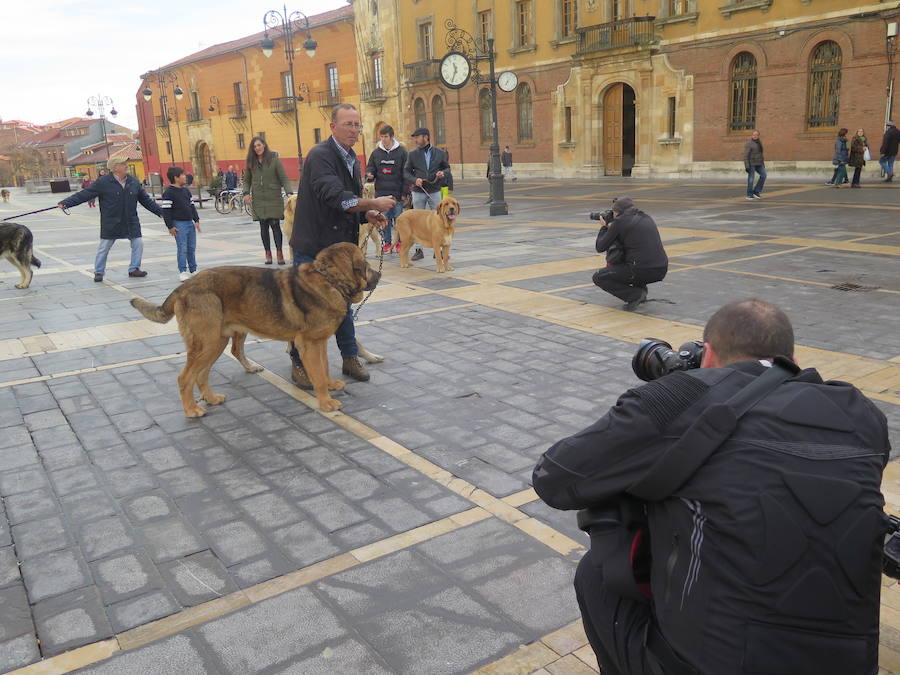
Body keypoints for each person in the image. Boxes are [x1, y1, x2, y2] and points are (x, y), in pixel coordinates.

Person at [532, 299, 890, 675]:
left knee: (596, 574)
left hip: (715, 664)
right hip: (851, 662)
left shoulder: (677, 397)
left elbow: (552, 479)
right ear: (793, 357)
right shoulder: (862, 414)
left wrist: (668, 393)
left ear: (709, 355)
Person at [287, 103, 394, 389]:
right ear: (333, 127)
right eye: (348, 124)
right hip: (313, 246)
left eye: (357, 125)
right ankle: (298, 363)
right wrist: (373, 202)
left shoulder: (352, 159)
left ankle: (349, 357)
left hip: (338, 250)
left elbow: (348, 202)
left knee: (343, 306)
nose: (354, 130)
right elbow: (335, 196)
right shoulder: (320, 155)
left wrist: (366, 213)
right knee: (305, 309)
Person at [58, 159, 162, 282]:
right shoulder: (103, 182)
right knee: (104, 247)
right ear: (115, 167)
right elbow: (85, 194)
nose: (126, 166)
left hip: (130, 220)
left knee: (138, 243)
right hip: (111, 222)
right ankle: (99, 272)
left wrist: (160, 212)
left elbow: (146, 200)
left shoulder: (133, 182)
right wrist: (66, 203)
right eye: (123, 164)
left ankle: (134, 269)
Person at [591, 196, 668, 311]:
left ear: (617, 212)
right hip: (661, 269)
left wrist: (604, 227)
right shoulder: (646, 217)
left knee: (599, 277)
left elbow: (600, 247)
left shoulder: (619, 222)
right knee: (634, 259)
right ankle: (640, 291)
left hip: (642, 270)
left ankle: (634, 295)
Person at [242, 136, 293, 265]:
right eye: (254, 146)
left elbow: (284, 178)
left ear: (264, 145)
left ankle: (280, 253)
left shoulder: (274, 160)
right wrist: (246, 193)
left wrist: (289, 193)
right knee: (263, 227)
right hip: (258, 199)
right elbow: (246, 180)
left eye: (259, 145)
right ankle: (268, 254)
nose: (257, 148)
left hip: (273, 197)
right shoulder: (250, 163)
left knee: (275, 226)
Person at [404, 127, 450, 261]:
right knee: (417, 221)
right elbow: (406, 172)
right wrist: (414, 180)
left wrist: (443, 173)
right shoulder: (412, 154)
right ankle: (419, 250)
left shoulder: (439, 152)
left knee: (440, 219)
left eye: (417, 137)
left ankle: (439, 249)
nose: (415, 140)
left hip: (435, 190)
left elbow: (447, 168)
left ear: (425, 137)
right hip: (419, 191)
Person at [366, 124, 407, 254]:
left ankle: (399, 243)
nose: (383, 139)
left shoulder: (401, 152)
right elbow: (370, 167)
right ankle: (387, 243)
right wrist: (370, 174)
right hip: (381, 194)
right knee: (384, 221)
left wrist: (405, 192)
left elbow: (406, 173)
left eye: (386, 137)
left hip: (397, 193)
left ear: (392, 137)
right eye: (381, 137)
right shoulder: (376, 153)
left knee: (399, 221)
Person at [161, 166, 201, 281]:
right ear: (176, 178)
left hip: (189, 223)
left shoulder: (186, 191)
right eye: (183, 175)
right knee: (182, 247)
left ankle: (193, 269)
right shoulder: (168, 192)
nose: (185, 177)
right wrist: (170, 226)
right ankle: (182, 271)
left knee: (191, 247)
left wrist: (196, 220)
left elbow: (192, 206)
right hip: (179, 224)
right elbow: (166, 211)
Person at [742, 129, 765, 200]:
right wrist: (747, 165)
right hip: (751, 163)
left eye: (757, 135)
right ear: (752, 135)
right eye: (754, 135)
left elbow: (760, 154)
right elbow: (745, 155)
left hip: (759, 163)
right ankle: (749, 194)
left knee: (764, 175)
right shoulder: (749, 143)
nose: (755, 136)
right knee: (751, 179)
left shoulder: (759, 143)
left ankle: (756, 192)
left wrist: (763, 164)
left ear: (758, 136)